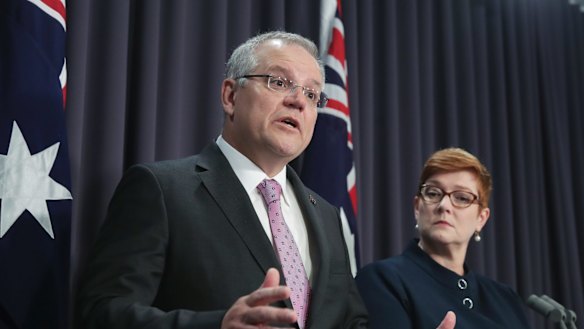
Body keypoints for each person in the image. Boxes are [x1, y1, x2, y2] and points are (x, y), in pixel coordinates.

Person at [75, 31, 369, 329]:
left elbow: (352, 319)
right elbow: (102, 313)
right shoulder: (162, 190)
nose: (299, 102)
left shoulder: (327, 215)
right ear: (230, 96)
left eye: (311, 94)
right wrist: (217, 326)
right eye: (279, 83)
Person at [355, 147, 530, 329]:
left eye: (462, 198)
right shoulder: (382, 280)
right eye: (433, 193)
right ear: (417, 207)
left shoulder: (506, 300)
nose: (444, 205)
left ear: (481, 218)